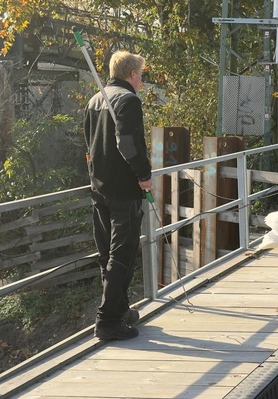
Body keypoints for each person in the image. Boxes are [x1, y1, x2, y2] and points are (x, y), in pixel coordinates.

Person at [84, 50, 152, 340]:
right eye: (141, 76)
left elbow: (88, 146)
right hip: (124, 189)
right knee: (121, 254)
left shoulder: (94, 100)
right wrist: (144, 175)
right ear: (132, 74)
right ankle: (109, 320)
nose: (142, 82)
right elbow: (128, 144)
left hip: (99, 188)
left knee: (106, 255)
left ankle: (120, 307)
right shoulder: (128, 100)